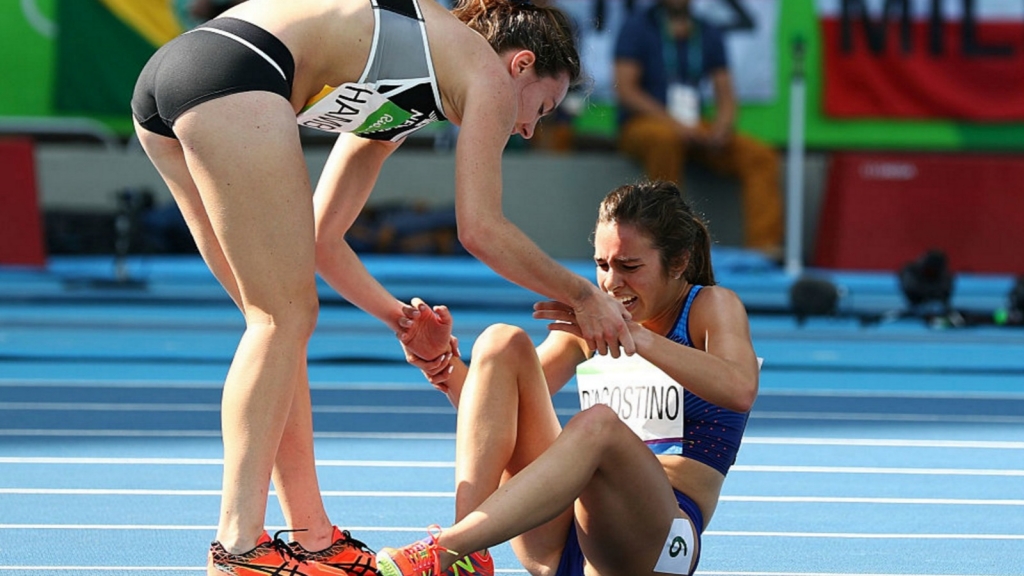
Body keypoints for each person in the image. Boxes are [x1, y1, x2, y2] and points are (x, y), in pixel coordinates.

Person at [129, 0, 637, 574]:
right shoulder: (488, 76)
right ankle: (239, 546)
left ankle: (313, 537)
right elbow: (481, 229)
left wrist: (397, 316)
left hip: (174, 76)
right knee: (282, 321)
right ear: (520, 65)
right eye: (541, 107)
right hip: (236, 69)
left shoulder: (410, 86)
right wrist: (584, 294)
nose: (527, 129)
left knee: (274, 325)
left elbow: (324, 237)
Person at [377, 179, 760, 576]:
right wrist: (439, 362)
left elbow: (740, 388)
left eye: (630, 267)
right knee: (500, 342)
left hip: (658, 543)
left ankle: (447, 548)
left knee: (599, 424)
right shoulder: (588, 327)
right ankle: (467, 558)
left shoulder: (711, 306)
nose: (612, 284)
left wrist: (634, 336)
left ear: (677, 263)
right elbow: (495, 412)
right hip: (565, 538)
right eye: (602, 265)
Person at [613, 0, 783, 259]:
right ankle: (664, 242)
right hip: (645, 125)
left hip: (692, 126)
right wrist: (673, 122)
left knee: (759, 156)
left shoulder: (707, 31)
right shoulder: (637, 27)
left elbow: (725, 94)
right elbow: (627, 91)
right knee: (665, 140)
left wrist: (721, 127)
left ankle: (764, 249)